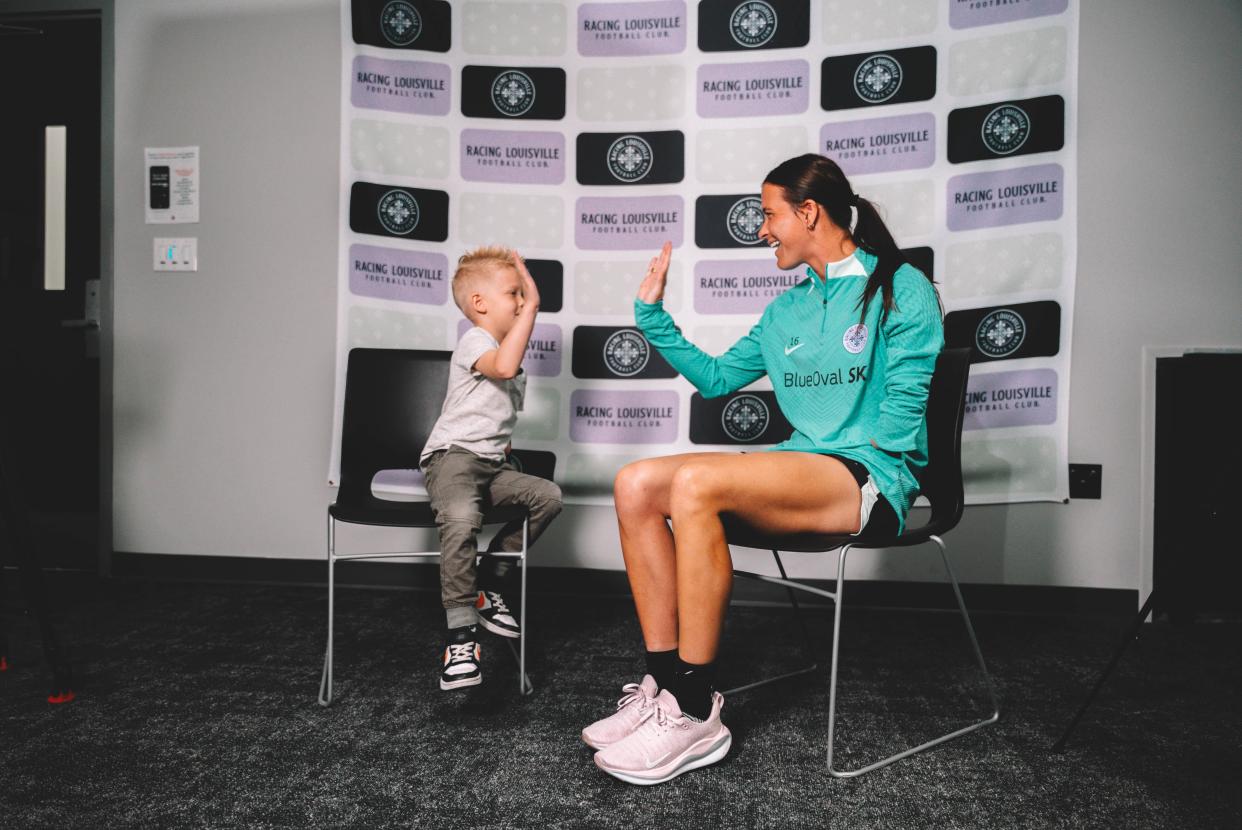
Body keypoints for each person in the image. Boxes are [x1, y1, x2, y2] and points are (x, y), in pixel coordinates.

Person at [583, 153, 944, 784]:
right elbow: (719, 379)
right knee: (635, 483)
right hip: (805, 467)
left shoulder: (899, 285)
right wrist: (651, 316)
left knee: (697, 483)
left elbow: (907, 404)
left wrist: (864, 458)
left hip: (871, 476)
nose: (760, 229)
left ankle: (697, 709)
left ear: (809, 212)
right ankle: (665, 685)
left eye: (769, 215)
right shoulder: (786, 313)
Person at [419, 247, 563, 691]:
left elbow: (493, 409)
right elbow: (501, 368)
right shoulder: (477, 341)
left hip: (489, 463)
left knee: (548, 496)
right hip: (452, 459)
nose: (521, 302)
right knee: (462, 519)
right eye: (513, 294)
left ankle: (488, 581)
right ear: (480, 304)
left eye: (523, 295)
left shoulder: (504, 352)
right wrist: (535, 308)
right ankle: (461, 638)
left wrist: (503, 443)